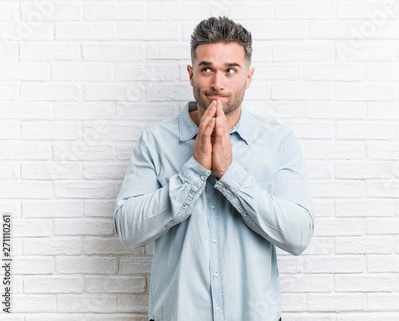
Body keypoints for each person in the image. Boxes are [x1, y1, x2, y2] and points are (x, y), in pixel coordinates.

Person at [114, 16, 314, 321]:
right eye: (207, 69)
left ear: (248, 78)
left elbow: (298, 235)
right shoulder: (155, 141)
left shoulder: (278, 141)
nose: (217, 83)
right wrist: (194, 170)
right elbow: (128, 230)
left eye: (230, 71)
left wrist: (230, 175)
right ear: (191, 74)